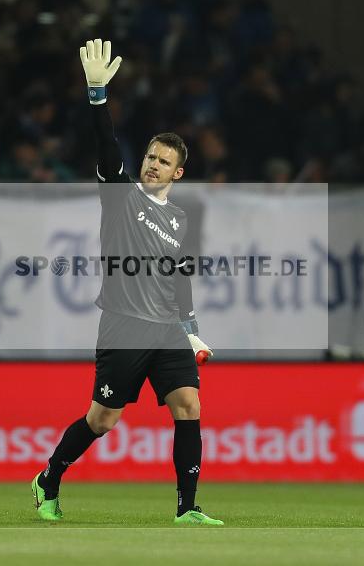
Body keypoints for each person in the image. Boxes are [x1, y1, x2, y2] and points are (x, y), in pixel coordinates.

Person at [30, 39, 222, 526]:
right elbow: (107, 146)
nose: (151, 164)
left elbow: (179, 279)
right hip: (123, 325)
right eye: (150, 157)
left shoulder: (178, 220)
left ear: (178, 172)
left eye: (162, 161)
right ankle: (49, 477)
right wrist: (98, 96)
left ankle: (188, 508)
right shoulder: (120, 196)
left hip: (165, 330)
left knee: (188, 404)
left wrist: (191, 326)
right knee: (103, 419)